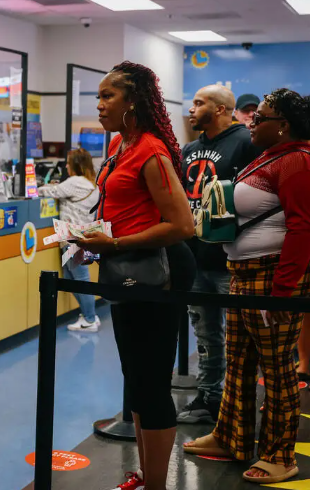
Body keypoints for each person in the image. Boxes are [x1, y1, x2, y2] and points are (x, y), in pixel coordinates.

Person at [78, 61, 194, 490]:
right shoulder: (118, 146)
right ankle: (148, 476)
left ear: (133, 102)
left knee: (152, 384)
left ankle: (158, 485)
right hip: (127, 269)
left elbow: (183, 225)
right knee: (137, 382)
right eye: (99, 96)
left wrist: (116, 244)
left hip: (158, 271)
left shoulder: (151, 151)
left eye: (108, 96)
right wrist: (92, 238)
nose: (99, 104)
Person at [184, 89, 310, 485]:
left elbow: (302, 229)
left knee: (277, 369)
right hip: (244, 275)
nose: (251, 121)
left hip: (271, 278)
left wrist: (282, 293)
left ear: (283, 125)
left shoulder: (297, 160)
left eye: (261, 117)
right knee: (239, 362)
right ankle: (231, 437)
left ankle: (279, 455)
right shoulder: (269, 156)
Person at [177, 85, 263, 424]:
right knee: (206, 334)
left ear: (221, 109)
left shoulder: (246, 143)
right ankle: (209, 397)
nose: (192, 109)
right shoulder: (189, 149)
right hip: (195, 257)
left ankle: (236, 403)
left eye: (199, 103)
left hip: (231, 259)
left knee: (241, 338)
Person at [37, 148, 101, 332]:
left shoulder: (75, 182)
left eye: (68, 162)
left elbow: (50, 191)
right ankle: (89, 315)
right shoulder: (92, 184)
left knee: (80, 279)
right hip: (84, 236)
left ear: (76, 165)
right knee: (69, 277)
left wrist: (36, 187)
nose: (65, 166)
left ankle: (89, 319)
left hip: (73, 239)